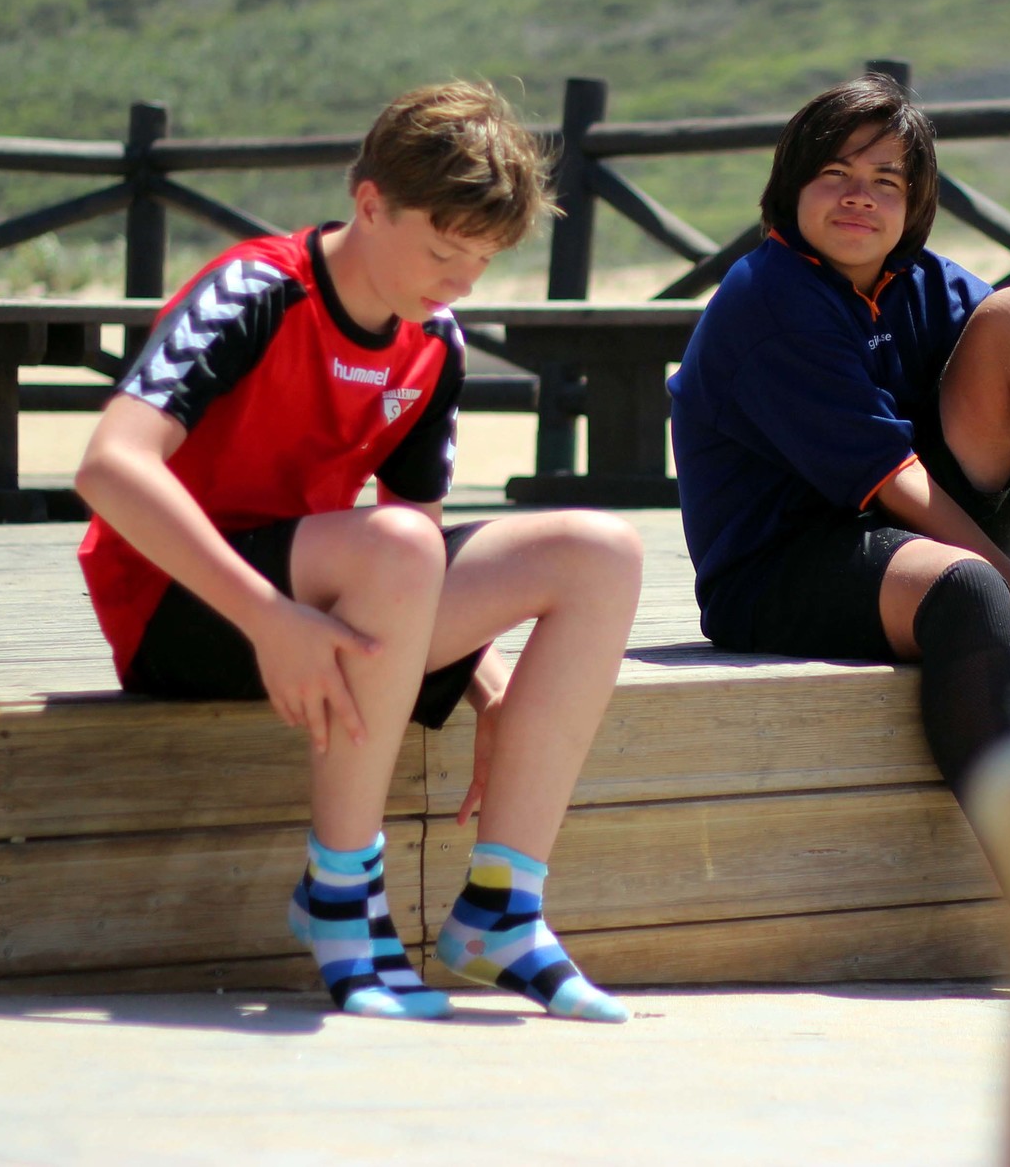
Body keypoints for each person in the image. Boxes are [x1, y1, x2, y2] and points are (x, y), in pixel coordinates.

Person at [75, 80, 641, 1023]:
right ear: (368, 201)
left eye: (484, 259)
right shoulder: (257, 289)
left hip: (331, 605)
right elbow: (108, 467)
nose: (459, 280)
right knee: (395, 545)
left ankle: (502, 908)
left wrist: (488, 689)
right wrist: (271, 620)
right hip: (181, 611)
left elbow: (417, 547)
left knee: (601, 551)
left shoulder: (435, 345)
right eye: (441, 248)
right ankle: (338, 896)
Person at [667, 75, 1010, 807]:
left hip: (905, 541)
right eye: (835, 173)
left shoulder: (922, 283)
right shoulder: (769, 298)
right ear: (791, 191)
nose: (860, 195)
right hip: (779, 571)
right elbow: (895, 481)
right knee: (967, 587)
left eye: (886, 180)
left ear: (915, 204)